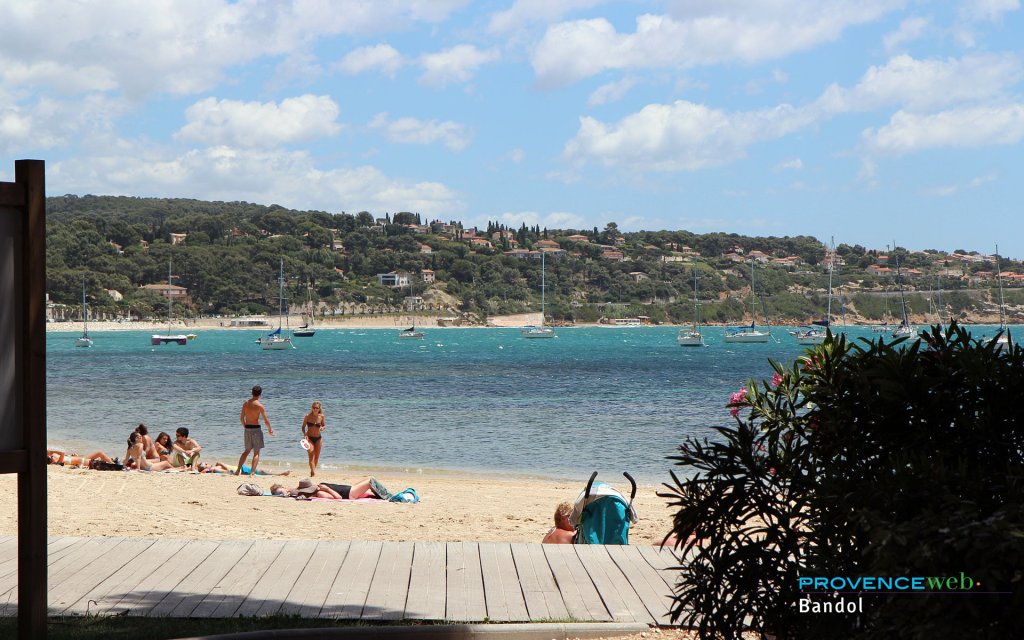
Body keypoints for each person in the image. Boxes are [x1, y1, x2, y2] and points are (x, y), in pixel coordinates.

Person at [237, 385, 274, 476]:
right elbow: (266, 420)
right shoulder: (260, 406)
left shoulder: (246, 403)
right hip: (256, 429)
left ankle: (238, 470)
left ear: (252, 393)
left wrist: (245, 426)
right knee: (256, 452)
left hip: (248, 428)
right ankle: (252, 472)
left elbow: (241, 418)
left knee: (246, 451)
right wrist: (270, 430)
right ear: (260, 394)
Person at [269, 476, 385, 500]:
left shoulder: (294, 490)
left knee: (368, 477)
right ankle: (386, 497)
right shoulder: (319, 493)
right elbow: (338, 497)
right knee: (371, 481)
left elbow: (295, 491)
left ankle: (379, 496)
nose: (283, 493)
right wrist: (327, 489)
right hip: (350, 494)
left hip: (348, 489)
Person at [301, 401, 325, 477]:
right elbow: (303, 427)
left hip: (318, 438)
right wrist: (305, 434)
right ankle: (313, 472)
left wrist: (322, 428)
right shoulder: (307, 416)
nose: (315, 409)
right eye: (313, 407)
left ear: (319, 409)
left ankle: (313, 471)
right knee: (311, 454)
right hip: (309, 438)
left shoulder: (321, 416)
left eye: (317, 408)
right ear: (311, 408)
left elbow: (324, 425)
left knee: (317, 456)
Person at [197, 461, 291, 476]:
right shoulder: (214, 469)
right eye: (205, 464)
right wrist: (222, 463)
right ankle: (280, 473)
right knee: (261, 471)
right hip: (241, 470)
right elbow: (228, 471)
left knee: (261, 471)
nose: (207, 463)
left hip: (241, 468)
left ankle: (279, 473)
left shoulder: (215, 467)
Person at [47, 449, 114, 468]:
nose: (52, 456)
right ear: (51, 462)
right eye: (51, 457)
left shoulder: (56, 459)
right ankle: (113, 464)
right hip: (81, 460)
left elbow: (64, 455)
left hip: (79, 458)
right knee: (99, 453)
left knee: (100, 454)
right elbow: (62, 453)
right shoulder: (58, 462)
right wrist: (52, 452)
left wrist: (72, 455)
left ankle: (112, 463)